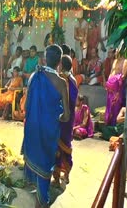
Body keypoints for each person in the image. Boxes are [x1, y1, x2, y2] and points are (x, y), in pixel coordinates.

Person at [21, 44, 70, 207]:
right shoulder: (62, 83)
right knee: (45, 162)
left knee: (34, 157)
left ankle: (32, 194)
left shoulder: (35, 76)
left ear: (45, 59)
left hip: (33, 127)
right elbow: (67, 116)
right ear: (59, 63)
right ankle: (42, 199)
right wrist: (57, 116)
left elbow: (27, 106)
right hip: (50, 131)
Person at [53, 55, 78, 186]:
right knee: (66, 145)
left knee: (57, 146)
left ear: (61, 65)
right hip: (70, 118)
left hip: (62, 117)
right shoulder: (73, 78)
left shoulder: (63, 79)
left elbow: (61, 99)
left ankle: (56, 176)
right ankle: (66, 174)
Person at [104, 51, 127, 126]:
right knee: (109, 106)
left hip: (117, 88)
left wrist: (115, 81)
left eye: (118, 50)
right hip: (110, 87)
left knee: (115, 106)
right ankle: (108, 124)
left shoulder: (125, 61)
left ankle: (114, 125)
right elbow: (111, 72)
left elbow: (123, 76)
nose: (116, 52)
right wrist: (108, 82)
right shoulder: (114, 61)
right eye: (116, 50)